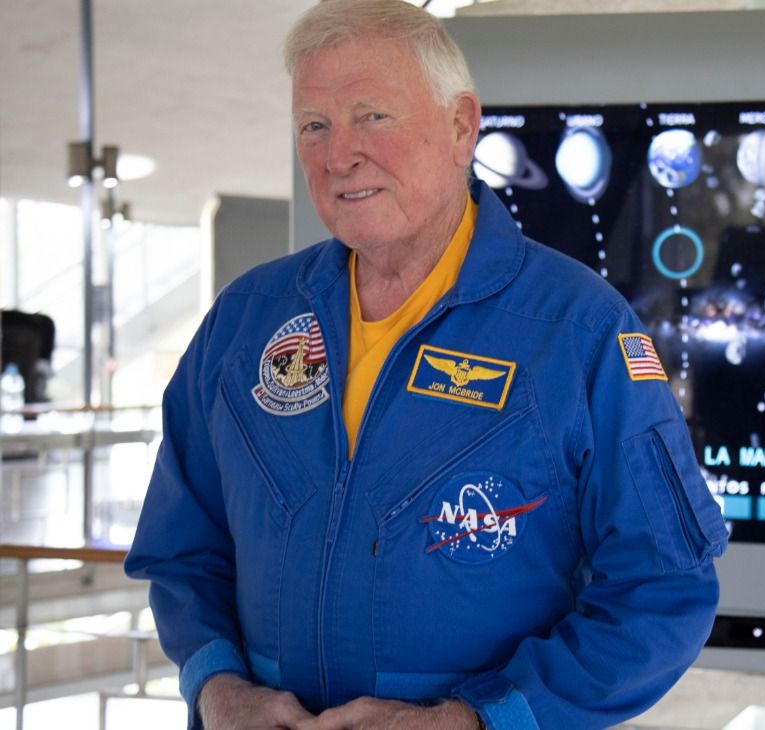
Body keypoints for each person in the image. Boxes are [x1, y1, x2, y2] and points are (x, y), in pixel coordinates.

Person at [124, 2, 728, 728]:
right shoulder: (246, 321)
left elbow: (663, 592)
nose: (337, 154)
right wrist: (216, 687)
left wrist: (473, 721)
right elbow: (180, 548)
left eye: (371, 116)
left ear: (460, 126)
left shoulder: (578, 332)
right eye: (313, 125)